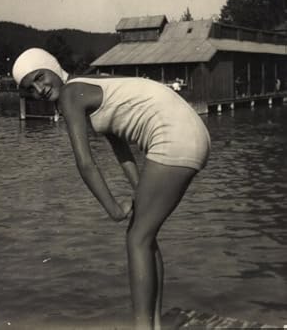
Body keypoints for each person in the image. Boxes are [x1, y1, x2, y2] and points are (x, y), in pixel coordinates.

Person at [12, 48, 211, 330]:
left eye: (40, 77)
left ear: (54, 69)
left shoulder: (70, 95)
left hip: (174, 133)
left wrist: (114, 210)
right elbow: (120, 145)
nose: (39, 89)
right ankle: (153, 324)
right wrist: (138, 189)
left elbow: (85, 163)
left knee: (136, 239)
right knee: (145, 234)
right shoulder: (88, 86)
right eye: (29, 88)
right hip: (191, 131)